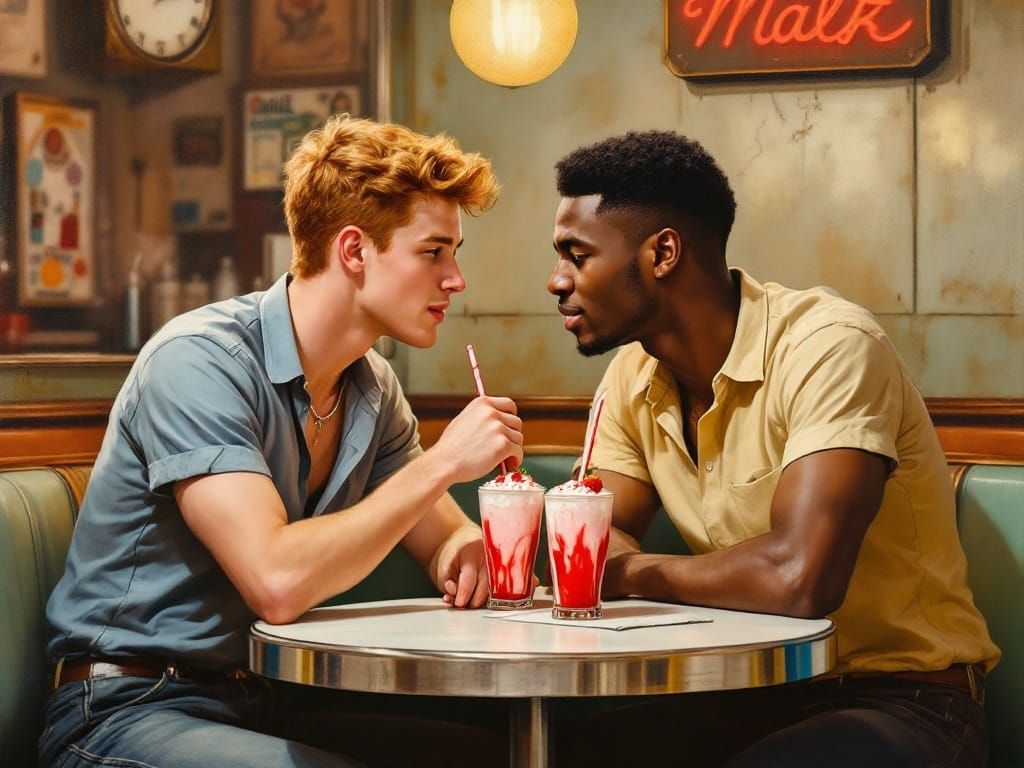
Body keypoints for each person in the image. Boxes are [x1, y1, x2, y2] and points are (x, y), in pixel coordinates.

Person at [39, 116, 523, 768]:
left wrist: (472, 553)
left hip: (260, 700)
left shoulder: (371, 388)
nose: (456, 279)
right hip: (126, 705)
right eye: (434, 252)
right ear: (354, 251)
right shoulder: (198, 361)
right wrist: (442, 463)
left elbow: (446, 541)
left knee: (485, 755)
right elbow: (276, 582)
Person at [546, 130, 999, 767]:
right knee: (545, 757)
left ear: (663, 252)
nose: (555, 281)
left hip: (901, 698)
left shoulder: (828, 346)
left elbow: (800, 577)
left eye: (576, 254)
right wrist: (614, 565)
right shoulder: (631, 376)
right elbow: (586, 548)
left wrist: (631, 573)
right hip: (746, 694)